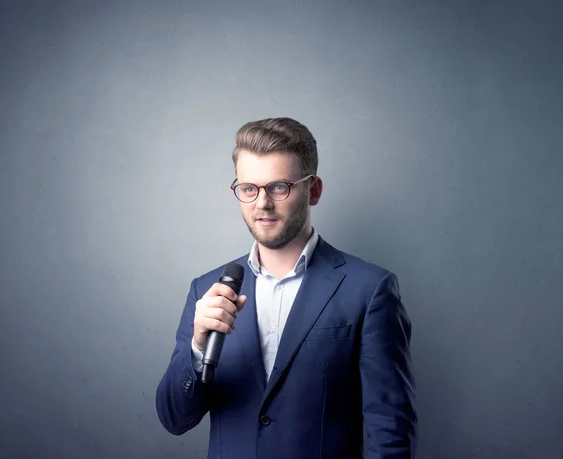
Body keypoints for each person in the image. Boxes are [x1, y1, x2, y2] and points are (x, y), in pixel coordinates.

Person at [155, 117, 417, 458]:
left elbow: (390, 430)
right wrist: (197, 348)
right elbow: (174, 419)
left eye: (279, 186)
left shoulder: (369, 289)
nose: (261, 203)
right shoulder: (207, 291)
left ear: (314, 190)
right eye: (249, 188)